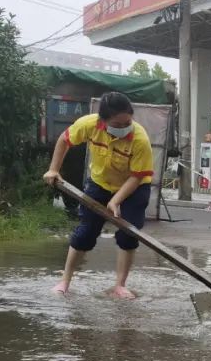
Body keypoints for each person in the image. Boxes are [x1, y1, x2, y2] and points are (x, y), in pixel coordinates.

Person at [43, 92, 154, 298]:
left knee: (128, 234)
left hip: (134, 187)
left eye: (127, 123)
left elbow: (137, 176)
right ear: (103, 121)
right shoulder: (88, 125)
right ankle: (65, 281)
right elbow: (64, 140)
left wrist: (115, 200)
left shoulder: (140, 139)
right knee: (85, 233)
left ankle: (120, 285)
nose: (123, 128)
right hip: (99, 183)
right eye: (117, 124)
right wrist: (53, 169)